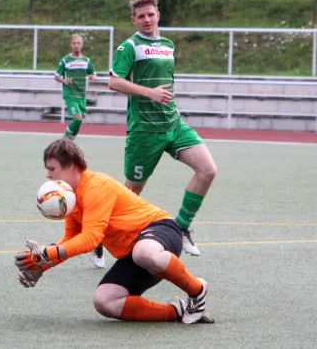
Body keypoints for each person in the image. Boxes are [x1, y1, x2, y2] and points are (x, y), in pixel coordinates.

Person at [14, 139, 213, 324]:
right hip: (133, 254)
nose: (48, 175)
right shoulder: (71, 198)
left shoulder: (95, 186)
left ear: (70, 166)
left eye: (51, 169)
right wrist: (40, 265)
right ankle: (178, 311)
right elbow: (71, 240)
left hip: (160, 229)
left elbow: (91, 239)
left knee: (144, 252)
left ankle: (197, 290)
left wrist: (46, 254)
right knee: (104, 301)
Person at [108, 0, 217, 256]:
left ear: (158, 15)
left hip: (174, 125)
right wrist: (149, 93)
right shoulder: (129, 47)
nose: (146, 19)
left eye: (150, 14)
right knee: (131, 192)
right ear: (133, 20)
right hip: (145, 131)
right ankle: (102, 237)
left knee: (207, 170)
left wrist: (171, 106)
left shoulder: (168, 45)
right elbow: (113, 82)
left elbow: (168, 82)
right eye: (141, 16)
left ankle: (180, 228)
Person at [54, 34, 104, 268]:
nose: (76, 46)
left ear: (82, 46)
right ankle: (65, 140)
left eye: (79, 44)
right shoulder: (65, 60)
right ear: (70, 46)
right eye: (73, 43)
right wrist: (63, 81)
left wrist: (94, 76)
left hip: (82, 94)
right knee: (78, 117)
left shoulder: (86, 60)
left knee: (81, 119)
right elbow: (56, 75)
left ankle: (67, 141)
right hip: (70, 94)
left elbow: (92, 74)